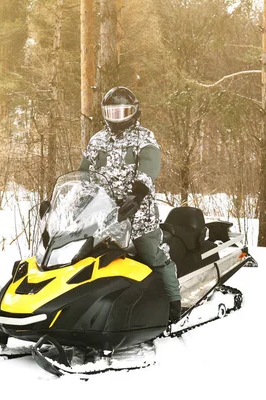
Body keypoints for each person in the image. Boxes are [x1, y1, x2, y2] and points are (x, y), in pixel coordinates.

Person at [79, 86, 181, 323]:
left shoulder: (144, 138)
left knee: (153, 256)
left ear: (134, 112)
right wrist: (75, 199)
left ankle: (174, 303)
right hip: (103, 217)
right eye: (112, 113)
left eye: (122, 112)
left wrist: (137, 195)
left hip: (138, 216)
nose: (117, 118)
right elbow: (84, 174)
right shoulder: (98, 140)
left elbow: (149, 167)